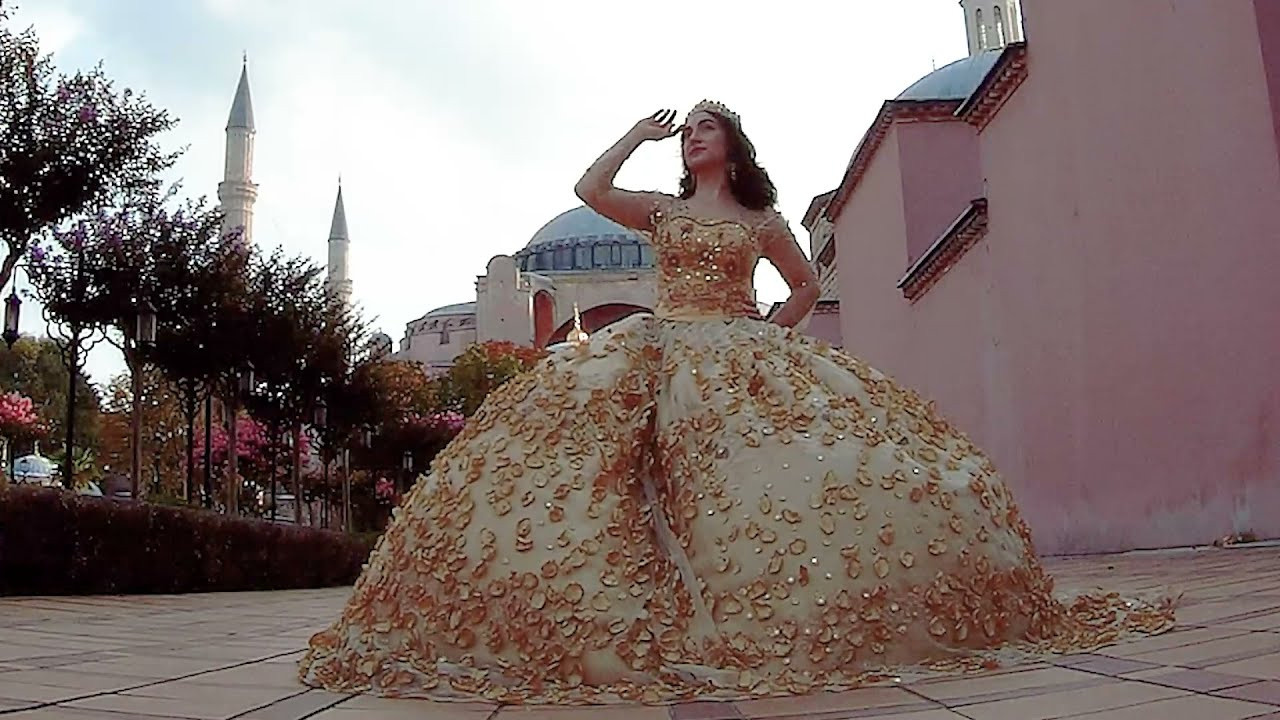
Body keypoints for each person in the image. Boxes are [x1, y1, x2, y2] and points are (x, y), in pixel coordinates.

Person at [298, 101, 1175, 705]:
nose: (693, 142)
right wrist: (636, 135)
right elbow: (588, 193)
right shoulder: (665, 211)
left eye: (704, 131)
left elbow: (806, 282)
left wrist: (770, 334)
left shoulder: (760, 220)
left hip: (735, 347)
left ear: (733, 144)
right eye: (689, 134)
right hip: (655, 345)